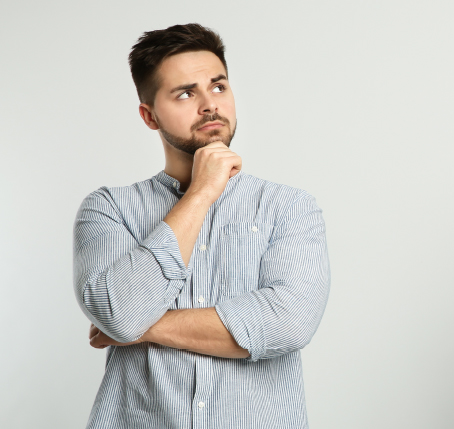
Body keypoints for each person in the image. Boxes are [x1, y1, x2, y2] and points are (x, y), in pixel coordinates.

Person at [73, 23, 330, 428]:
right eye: (185, 93)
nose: (209, 104)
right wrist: (201, 193)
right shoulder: (108, 209)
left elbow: (289, 322)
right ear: (149, 115)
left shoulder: (289, 207)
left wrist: (138, 326)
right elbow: (117, 314)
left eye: (218, 86)